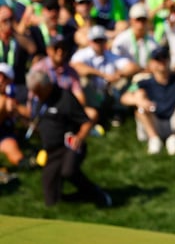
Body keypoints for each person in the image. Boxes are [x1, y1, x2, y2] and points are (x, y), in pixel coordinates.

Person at [26, 70, 112, 207]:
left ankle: (97, 194)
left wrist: (80, 137)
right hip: (51, 152)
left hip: (69, 145)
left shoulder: (65, 98)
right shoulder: (39, 100)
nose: (36, 95)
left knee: (69, 171)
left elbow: (85, 121)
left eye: (38, 91)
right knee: (51, 200)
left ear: (47, 86)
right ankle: (78, 197)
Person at [120, 45, 175, 155]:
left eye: (164, 57)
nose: (161, 62)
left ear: (169, 60)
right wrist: (139, 102)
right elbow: (124, 98)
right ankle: (154, 139)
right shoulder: (144, 82)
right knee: (139, 95)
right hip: (154, 121)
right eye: (157, 59)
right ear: (151, 63)